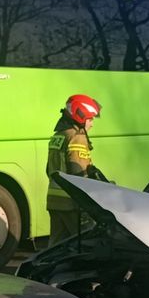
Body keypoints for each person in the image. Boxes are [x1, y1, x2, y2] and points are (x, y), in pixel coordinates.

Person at [46, 94, 103, 246]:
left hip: (54, 201)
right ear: (81, 117)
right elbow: (79, 172)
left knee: (56, 247)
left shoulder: (58, 136)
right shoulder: (77, 137)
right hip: (71, 203)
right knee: (86, 244)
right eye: (90, 119)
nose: (92, 124)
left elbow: (49, 170)